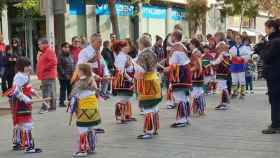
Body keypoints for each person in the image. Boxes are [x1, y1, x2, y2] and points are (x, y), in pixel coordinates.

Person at [4, 57, 42, 153]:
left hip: (23, 102)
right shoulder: (19, 76)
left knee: (20, 124)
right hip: (20, 103)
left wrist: (35, 93)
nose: (29, 67)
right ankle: (29, 146)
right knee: (26, 124)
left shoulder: (25, 75)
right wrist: (26, 99)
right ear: (22, 67)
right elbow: (16, 91)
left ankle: (18, 143)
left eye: (29, 65)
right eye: (27, 66)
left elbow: (27, 87)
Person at [69, 64, 101, 157]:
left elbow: (74, 97)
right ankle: (92, 147)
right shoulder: (91, 80)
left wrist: (72, 107)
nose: (76, 72)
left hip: (84, 109)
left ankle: (82, 150)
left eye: (77, 70)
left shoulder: (80, 83)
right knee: (91, 127)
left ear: (82, 71)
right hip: (94, 108)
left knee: (82, 129)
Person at [135, 35, 162, 139]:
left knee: (147, 106)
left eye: (139, 44)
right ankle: (154, 129)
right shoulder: (152, 53)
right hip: (154, 79)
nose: (139, 46)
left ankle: (149, 131)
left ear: (142, 44)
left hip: (147, 82)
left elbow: (142, 70)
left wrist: (135, 68)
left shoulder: (143, 54)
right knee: (154, 106)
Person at [168, 30, 192, 128]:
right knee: (184, 97)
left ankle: (181, 120)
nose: (171, 38)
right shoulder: (183, 46)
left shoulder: (176, 47)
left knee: (179, 96)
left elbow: (174, 62)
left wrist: (168, 68)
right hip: (185, 72)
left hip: (179, 74)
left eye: (171, 36)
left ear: (174, 37)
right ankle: (185, 118)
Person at [261, 19, 280, 134]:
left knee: (275, 100)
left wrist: (261, 49)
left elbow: (267, 57)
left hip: (275, 75)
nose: (265, 30)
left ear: (271, 28)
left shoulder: (275, 42)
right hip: (276, 74)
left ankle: (275, 125)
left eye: (266, 28)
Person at [112, 40, 136, 123]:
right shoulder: (120, 57)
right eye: (127, 46)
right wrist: (130, 79)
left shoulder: (126, 56)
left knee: (127, 97)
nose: (129, 47)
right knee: (124, 98)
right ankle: (121, 116)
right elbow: (121, 71)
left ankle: (126, 115)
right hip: (123, 80)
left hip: (128, 78)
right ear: (121, 48)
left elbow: (133, 65)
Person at [36, 38, 58, 114]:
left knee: (46, 92)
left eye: (40, 44)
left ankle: (45, 107)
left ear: (45, 44)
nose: (39, 46)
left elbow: (54, 61)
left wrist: (44, 68)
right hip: (47, 75)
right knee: (51, 91)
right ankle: (52, 106)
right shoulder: (45, 52)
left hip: (48, 75)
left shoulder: (49, 51)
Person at [229, 34, 251, 99]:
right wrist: (232, 57)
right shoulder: (232, 48)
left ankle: (242, 93)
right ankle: (234, 93)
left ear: (241, 39)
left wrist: (241, 58)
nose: (237, 40)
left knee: (241, 80)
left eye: (239, 38)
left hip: (241, 65)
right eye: (236, 38)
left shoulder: (245, 48)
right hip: (234, 65)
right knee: (234, 80)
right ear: (235, 39)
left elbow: (248, 56)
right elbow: (230, 55)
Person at [212, 41, 231, 110]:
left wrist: (209, 63)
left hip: (221, 73)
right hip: (224, 73)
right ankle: (224, 102)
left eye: (219, 48)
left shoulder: (222, 54)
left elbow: (216, 62)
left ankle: (223, 103)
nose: (218, 50)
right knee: (223, 87)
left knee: (222, 88)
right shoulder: (227, 54)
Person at [190, 39, 206, 116]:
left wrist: (189, 70)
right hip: (196, 74)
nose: (189, 45)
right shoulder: (195, 52)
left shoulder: (196, 53)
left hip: (197, 75)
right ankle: (198, 109)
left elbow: (197, 65)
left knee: (197, 92)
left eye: (190, 44)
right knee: (197, 92)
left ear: (194, 44)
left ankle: (200, 109)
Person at [57, 42, 75, 107]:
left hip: (71, 75)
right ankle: (61, 102)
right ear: (63, 48)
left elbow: (72, 64)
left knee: (70, 89)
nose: (68, 48)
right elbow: (59, 66)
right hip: (63, 76)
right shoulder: (60, 56)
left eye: (68, 47)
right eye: (66, 47)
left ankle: (70, 101)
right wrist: (65, 74)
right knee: (63, 89)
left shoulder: (70, 55)